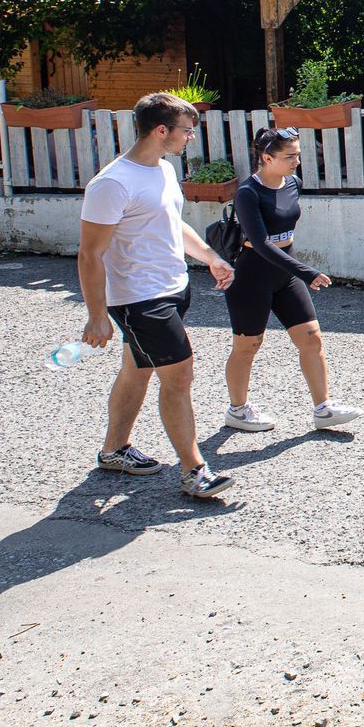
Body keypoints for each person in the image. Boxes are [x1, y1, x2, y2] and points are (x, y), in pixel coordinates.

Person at [78, 91, 236, 499]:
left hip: (172, 288)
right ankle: (194, 471)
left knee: (138, 369)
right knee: (180, 375)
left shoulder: (162, 170)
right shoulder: (112, 183)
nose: (190, 139)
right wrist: (96, 314)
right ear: (161, 130)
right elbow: (90, 254)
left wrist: (209, 256)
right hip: (138, 299)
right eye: (187, 131)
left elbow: (171, 222)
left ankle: (114, 450)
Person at [222, 126, 363, 433]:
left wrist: (296, 272)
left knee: (311, 338)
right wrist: (306, 271)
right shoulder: (248, 193)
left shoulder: (293, 183)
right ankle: (237, 410)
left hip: (284, 274)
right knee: (248, 345)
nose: (296, 161)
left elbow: (285, 235)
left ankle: (323, 409)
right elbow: (261, 244)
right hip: (251, 276)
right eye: (289, 156)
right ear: (266, 157)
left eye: (298, 155)